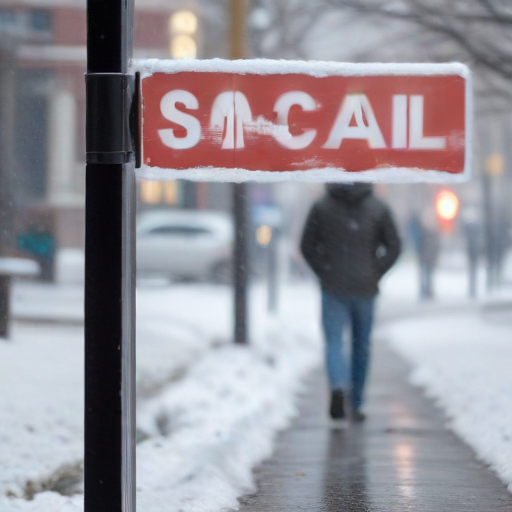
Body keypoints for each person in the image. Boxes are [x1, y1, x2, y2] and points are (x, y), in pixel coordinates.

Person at [300, 183, 400, 421]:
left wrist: (324, 272)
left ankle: (338, 386)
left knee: (334, 342)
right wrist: (375, 271)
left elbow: (306, 246)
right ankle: (356, 401)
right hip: (365, 288)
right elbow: (394, 246)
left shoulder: (322, 206)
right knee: (361, 346)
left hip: (333, 286)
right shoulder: (378, 207)